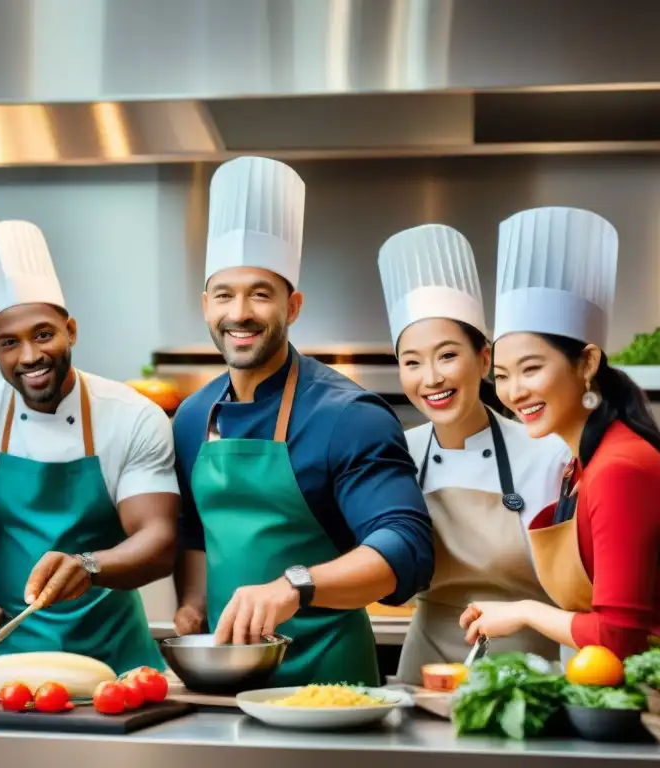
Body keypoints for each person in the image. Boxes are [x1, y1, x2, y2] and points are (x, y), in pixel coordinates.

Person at [170, 156, 435, 688]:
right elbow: (195, 534)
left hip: (329, 685)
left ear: (292, 306)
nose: (239, 312)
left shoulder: (347, 415)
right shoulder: (192, 416)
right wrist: (194, 606)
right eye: (224, 294)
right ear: (205, 305)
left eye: (260, 294)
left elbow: (407, 546)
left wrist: (295, 585)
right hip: (226, 681)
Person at [0, 219, 179, 675]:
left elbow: (158, 541)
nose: (29, 357)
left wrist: (90, 566)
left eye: (43, 334)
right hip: (12, 667)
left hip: (122, 668)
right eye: (9, 343)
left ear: (71, 331)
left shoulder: (132, 417)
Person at [460, 206, 660, 661]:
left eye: (531, 369)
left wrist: (527, 613)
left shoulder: (619, 468)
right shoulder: (581, 463)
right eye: (504, 376)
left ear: (587, 363)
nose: (515, 392)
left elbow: (620, 637)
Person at [378, 223, 570, 684]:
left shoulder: (547, 452)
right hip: (424, 665)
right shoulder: (396, 453)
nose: (431, 378)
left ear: (484, 359)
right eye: (412, 362)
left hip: (528, 668)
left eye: (447, 356)